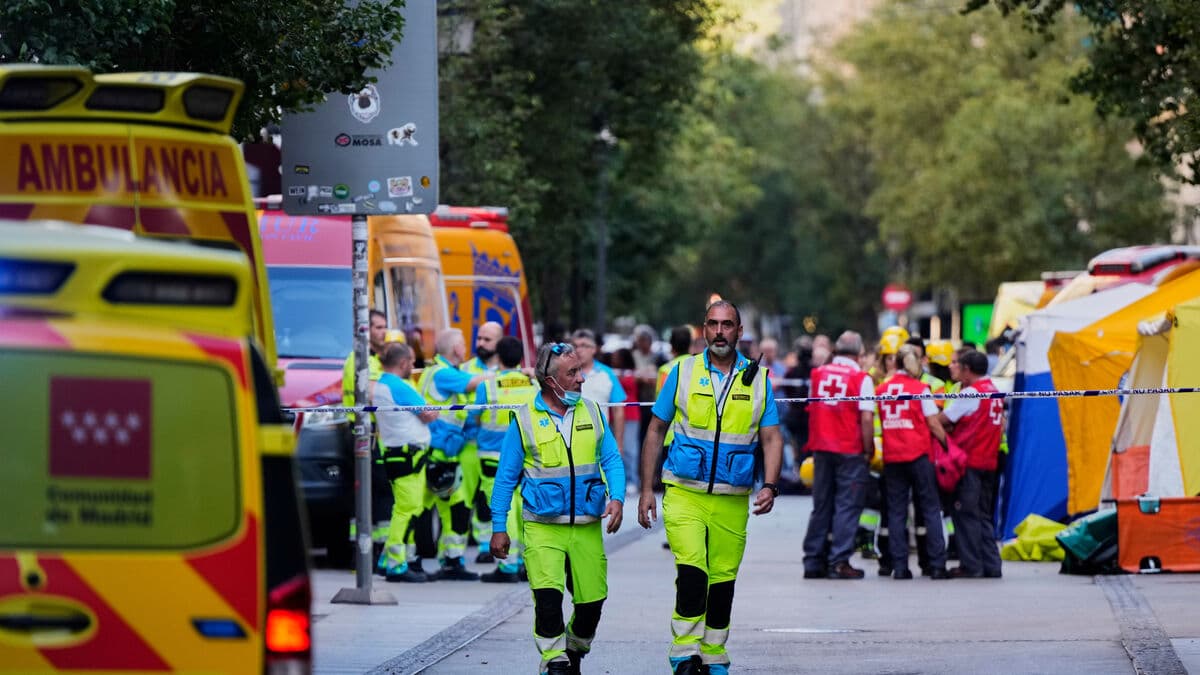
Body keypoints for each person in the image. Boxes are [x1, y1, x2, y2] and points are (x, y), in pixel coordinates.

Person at [637, 300, 783, 675]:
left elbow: (771, 439)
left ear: (739, 331)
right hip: (684, 491)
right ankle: (684, 652)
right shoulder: (683, 372)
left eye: (727, 325)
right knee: (692, 572)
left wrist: (769, 484)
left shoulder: (759, 380)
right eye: (713, 324)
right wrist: (647, 490)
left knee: (722, 581)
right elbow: (655, 430)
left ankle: (714, 654)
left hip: (732, 497)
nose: (720, 331)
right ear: (704, 329)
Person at [489, 342, 625, 674]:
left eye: (580, 370)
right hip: (542, 526)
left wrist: (618, 498)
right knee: (548, 602)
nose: (581, 379)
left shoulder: (592, 411)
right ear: (552, 381)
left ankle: (574, 649)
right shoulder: (524, 420)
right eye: (573, 373)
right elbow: (506, 477)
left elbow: (611, 459)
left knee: (591, 604)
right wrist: (498, 527)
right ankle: (554, 659)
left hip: (586, 526)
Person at [417, 328, 492, 580]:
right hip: (436, 452)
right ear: (456, 349)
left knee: (451, 507)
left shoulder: (444, 372)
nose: (467, 348)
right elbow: (473, 383)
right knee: (423, 506)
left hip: (445, 452)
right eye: (463, 344)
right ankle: (406, 560)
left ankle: (451, 560)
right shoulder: (443, 373)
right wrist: (508, 375)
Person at [803, 330, 875, 580]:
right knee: (847, 505)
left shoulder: (818, 373)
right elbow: (866, 418)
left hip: (822, 448)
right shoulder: (861, 378)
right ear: (858, 353)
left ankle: (813, 560)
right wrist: (869, 449)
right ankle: (839, 561)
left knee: (821, 504)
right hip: (849, 450)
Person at [878, 344, 951, 580]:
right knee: (930, 509)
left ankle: (900, 567)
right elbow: (932, 422)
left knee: (897, 513)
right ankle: (937, 565)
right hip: (919, 455)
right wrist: (948, 446)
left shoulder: (882, 390)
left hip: (892, 458)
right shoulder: (921, 388)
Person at [471, 335, 539, 583]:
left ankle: (507, 565)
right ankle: (523, 561)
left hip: (493, 455)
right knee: (523, 507)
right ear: (521, 358)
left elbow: (474, 419)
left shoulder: (487, 386)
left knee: (503, 507)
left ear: (498, 357)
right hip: (525, 455)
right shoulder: (533, 386)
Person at [372, 341, 440, 582]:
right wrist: (434, 412)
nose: (413, 365)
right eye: (411, 362)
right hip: (409, 455)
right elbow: (428, 413)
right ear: (403, 363)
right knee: (407, 509)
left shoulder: (381, 384)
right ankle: (396, 564)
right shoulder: (399, 386)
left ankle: (388, 561)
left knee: (404, 507)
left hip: (398, 453)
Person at [936, 349, 1004, 579]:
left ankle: (971, 565)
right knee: (983, 515)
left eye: (959, 366)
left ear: (967, 370)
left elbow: (943, 420)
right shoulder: (994, 391)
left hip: (969, 461)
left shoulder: (970, 394)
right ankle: (992, 564)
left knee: (966, 514)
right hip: (989, 462)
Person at [341, 309, 392, 550]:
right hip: (364, 431)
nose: (383, 332)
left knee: (375, 490)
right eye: (378, 327)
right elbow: (374, 394)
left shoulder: (372, 358)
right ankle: (366, 554)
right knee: (373, 491)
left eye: (384, 327)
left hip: (373, 432)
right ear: (366, 329)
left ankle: (371, 552)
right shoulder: (363, 360)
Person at [462, 321, 505, 563]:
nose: (480, 343)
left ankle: (486, 546)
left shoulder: (511, 370)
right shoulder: (466, 368)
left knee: (491, 499)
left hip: (495, 447)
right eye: (479, 338)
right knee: (467, 499)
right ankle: (477, 543)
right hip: (467, 445)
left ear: (499, 342)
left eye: (487, 340)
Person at [571, 328, 627, 474]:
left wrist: (619, 445)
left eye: (584, 346)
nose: (579, 350)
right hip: (570, 439)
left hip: (600, 440)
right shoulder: (566, 374)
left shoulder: (607, 374)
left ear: (594, 349)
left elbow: (618, 410)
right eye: (575, 346)